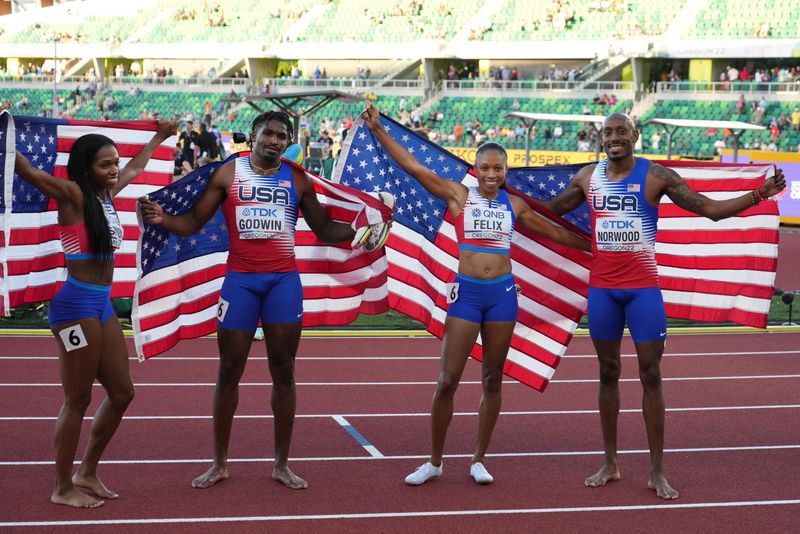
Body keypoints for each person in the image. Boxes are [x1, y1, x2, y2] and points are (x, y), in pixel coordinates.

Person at [543, 112, 786, 500]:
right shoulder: (587, 178)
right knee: (607, 372)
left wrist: (760, 195)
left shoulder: (657, 176)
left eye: (622, 131)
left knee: (651, 375)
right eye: (608, 132)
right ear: (601, 138)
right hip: (603, 291)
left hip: (642, 291)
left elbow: (708, 209)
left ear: (635, 136)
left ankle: (657, 470)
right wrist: (495, 194)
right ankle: (610, 462)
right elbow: (546, 210)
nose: (614, 137)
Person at [362, 103, 591, 486]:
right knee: (447, 380)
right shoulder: (458, 195)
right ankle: (434, 461)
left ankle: (479, 459)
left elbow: (554, 233)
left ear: (505, 170)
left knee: (493, 379)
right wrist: (381, 133)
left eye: (497, 168)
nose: (490, 174)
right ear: (475, 167)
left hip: (502, 296)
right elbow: (414, 168)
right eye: (484, 167)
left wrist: (596, 245)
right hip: (467, 295)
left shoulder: (514, 204)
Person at [139, 111, 368, 490]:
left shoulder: (296, 178)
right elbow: (194, 221)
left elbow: (325, 228)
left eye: (282, 136)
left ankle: (281, 463)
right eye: (269, 134)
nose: (275, 141)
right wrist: (164, 219)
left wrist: (362, 231)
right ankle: (219, 463)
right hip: (240, 282)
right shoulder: (229, 173)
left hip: (283, 283)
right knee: (229, 369)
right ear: (254, 136)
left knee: (284, 370)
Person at [13, 119, 177, 508]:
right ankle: (61, 486)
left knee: (122, 392)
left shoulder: (106, 196)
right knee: (78, 398)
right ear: (86, 167)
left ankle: (86, 470)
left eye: (114, 162)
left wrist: (160, 136)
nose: (114, 170)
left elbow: (136, 168)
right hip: (74, 307)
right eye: (105, 164)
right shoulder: (72, 194)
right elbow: (29, 171)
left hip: (101, 304)